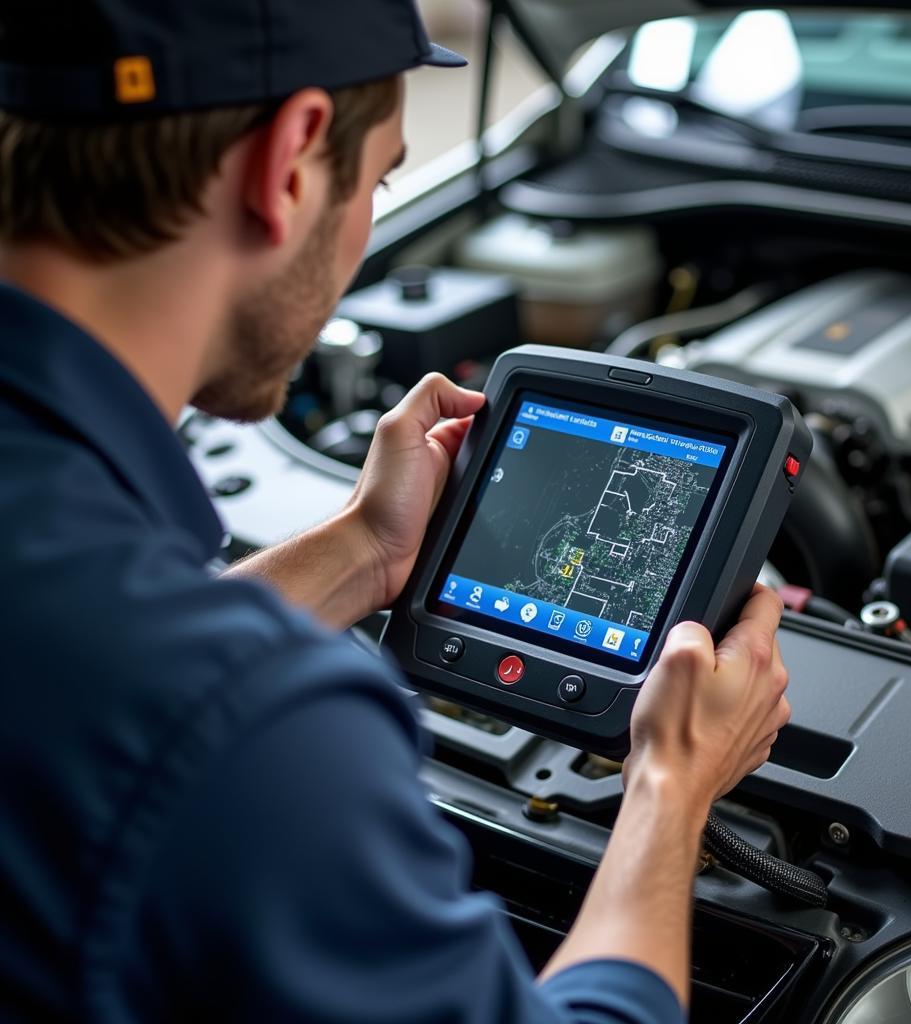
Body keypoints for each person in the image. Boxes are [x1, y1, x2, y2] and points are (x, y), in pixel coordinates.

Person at [0, 2, 791, 1022]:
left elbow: (103, 668)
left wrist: (366, 550)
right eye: (376, 179)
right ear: (287, 161)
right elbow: (180, 704)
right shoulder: (254, 728)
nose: (373, 213)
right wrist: (672, 783)